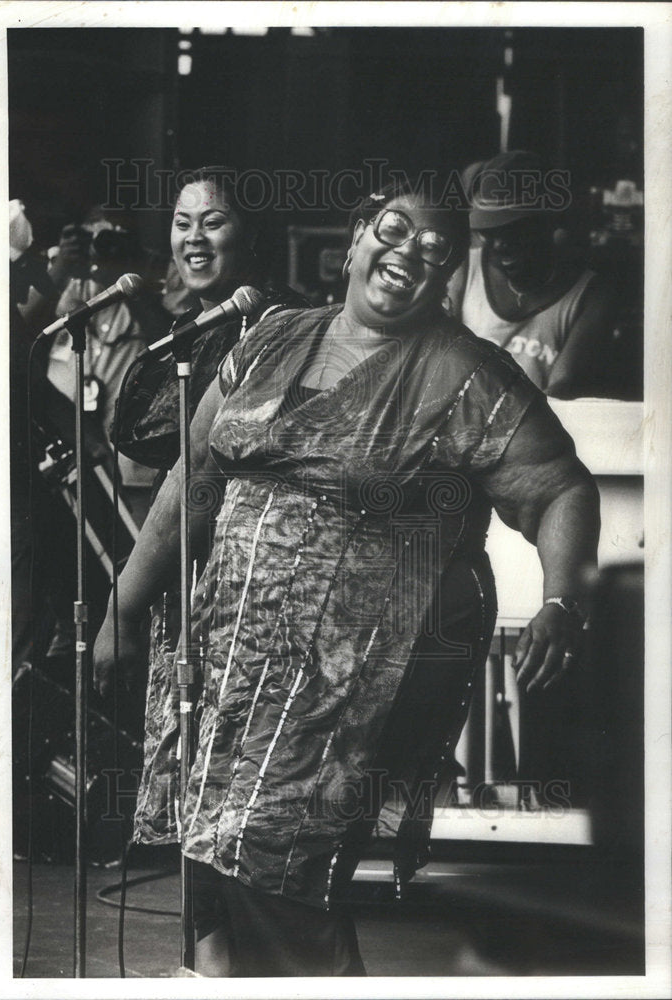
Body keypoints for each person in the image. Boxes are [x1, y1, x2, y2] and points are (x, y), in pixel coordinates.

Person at [93, 176, 600, 977]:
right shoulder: (268, 336)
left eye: (434, 251)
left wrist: (563, 599)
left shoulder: (466, 374)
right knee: (212, 860)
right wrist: (124, 609)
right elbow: (192, 481)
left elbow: (558, 488)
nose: (408, 256)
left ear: (447, 278)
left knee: (282, 863)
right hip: (225, 665)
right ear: (356, 236)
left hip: (346, 685)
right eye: (393, 232)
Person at [110, 166, 309, 850]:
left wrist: (123, 605)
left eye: (213, 222)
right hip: (188, 583)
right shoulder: (192, 328)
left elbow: (196, 476)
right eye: (181, 222)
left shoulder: (275, 326)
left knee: (237, 805)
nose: (193, 239)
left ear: (250, 235)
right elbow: (136, 426)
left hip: (244, 593)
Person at [448, 150, 616, 398]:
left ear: (548, 223)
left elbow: (562, 387)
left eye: (514, 230)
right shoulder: (465, 268)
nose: (498, 245)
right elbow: (438, 361)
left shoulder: (590, 294)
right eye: (490, 232)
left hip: (536, 428)